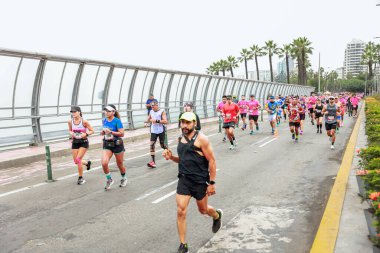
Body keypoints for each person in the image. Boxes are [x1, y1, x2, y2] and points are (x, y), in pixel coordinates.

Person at [162, 112, 222, 253]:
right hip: (184, 180)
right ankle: (184, 245)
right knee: (181, 211)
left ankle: (216, 215)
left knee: (203, 210)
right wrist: (171, 157)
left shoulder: (202, 139)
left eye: (188, 122)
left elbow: (212, 161)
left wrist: (211, 183)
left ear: (194, 123)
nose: (184, 125)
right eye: (182, 122)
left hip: (200, 182)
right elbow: (182, 160)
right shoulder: (180, 139)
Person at [101, 104, 128, 190]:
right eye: (105, 111)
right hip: (107, 144)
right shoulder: (104, 120)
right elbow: (105, 131)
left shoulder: (117, 121)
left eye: (108, 111)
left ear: (113, 112)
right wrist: (103, 132)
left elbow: (122, 133)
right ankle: (109, 180)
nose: (106, 112)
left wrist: (111, 132)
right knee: (104, 163)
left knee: (119, 164)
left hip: (117, 144)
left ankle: (124, 178)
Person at [68, 106, 94, 185]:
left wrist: (85, 134)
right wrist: (71, 133)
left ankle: (80, 178)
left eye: (75, 112)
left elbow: (92, 131)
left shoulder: (84, 122)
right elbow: (69, 130)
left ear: (79, 112)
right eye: (72, 112)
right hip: (75, 142)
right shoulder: (70, 122)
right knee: (76, 161)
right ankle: (87, 163)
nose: (73, 113)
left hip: (83, 142)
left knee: (78, 160)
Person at [146, 100, 168, 168]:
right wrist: (146, 122)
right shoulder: (151, 111)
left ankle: (168, 152)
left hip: (161, 130)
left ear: (157, 105)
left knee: (162, 145)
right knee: (152, 145)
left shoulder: (162, 111)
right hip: (153, 131)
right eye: (151, 106)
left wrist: (156, 121)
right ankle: (153, 162)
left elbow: (165, 121)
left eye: (153, 106)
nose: (152, 108)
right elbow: (148, 119)